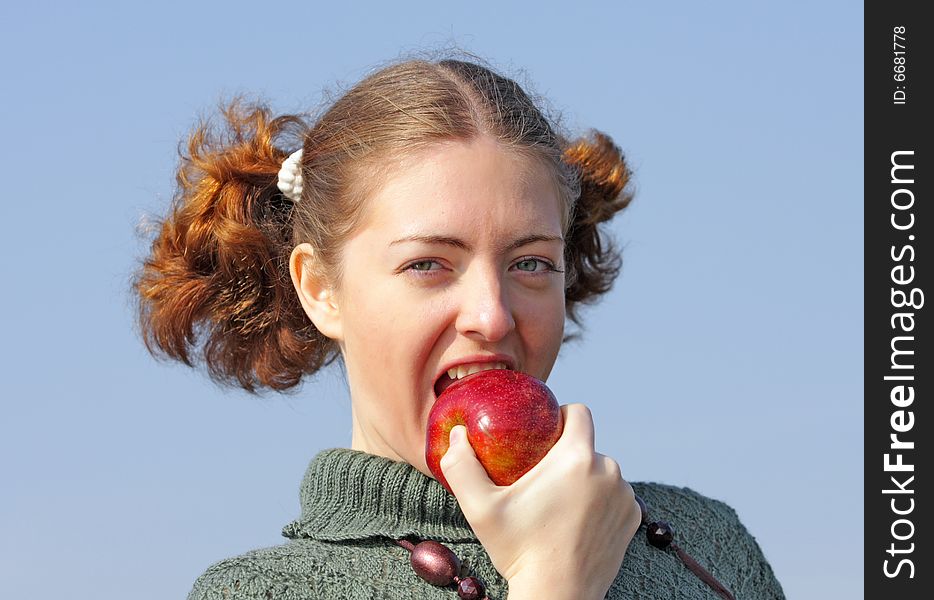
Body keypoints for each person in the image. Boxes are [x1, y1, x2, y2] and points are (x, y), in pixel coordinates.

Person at [134, 55, 785, 599]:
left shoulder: (705, 544)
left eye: (530, 262)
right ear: (321, 289)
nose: (491, 314)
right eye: (428, 265)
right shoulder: (258, 593)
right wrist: (554, 584)